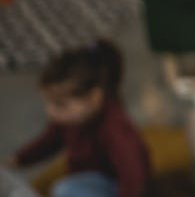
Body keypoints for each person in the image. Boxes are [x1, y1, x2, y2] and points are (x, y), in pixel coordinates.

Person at [5, 40, 150, 197]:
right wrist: (19, 159)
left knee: (65, 190)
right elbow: (49, 141)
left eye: (60, 105)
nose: (50, 111)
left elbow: (133, 177)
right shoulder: (67, 120)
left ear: (94, 98)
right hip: (86, 178)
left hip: (115, 184)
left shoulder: (114, 128)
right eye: (48, 103)